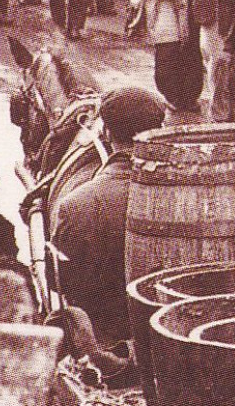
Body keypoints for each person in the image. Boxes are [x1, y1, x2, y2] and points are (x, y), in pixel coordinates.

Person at [50, 85, 169, 346]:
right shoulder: (184, 197)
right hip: (171, 334)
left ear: (105, 132)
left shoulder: (75, 206)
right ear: (159, 132)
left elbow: (60, 284)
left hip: (106, 346)